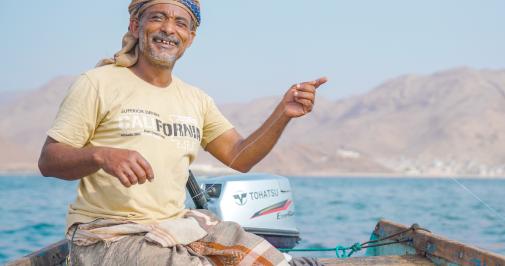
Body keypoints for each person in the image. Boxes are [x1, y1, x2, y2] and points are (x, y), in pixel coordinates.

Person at [37, 0, 327, 265]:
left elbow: (239, 157)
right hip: (107, 234)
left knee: (271, 260)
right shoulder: (97, 83)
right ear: (136, 26)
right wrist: (101, 155)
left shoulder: (195, 99)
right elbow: (49, 160)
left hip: (173, 227)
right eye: (158, 18)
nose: (168, 29)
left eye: (180, 23)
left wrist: (283, 113)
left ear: (190, 37)